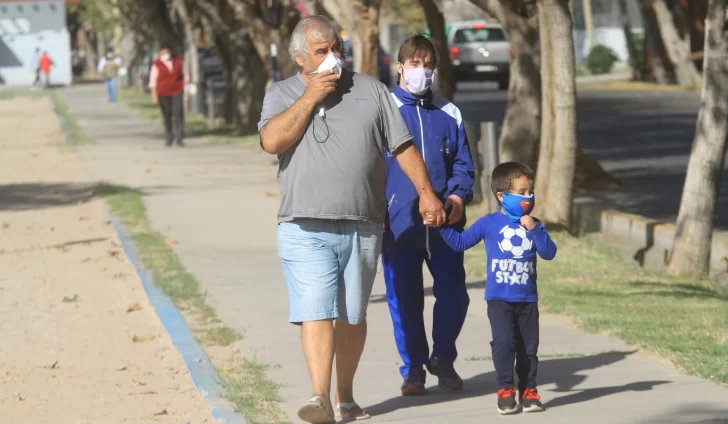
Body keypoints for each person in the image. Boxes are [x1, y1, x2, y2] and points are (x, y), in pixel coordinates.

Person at [258, 16, 446, 424]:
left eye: (336, 49)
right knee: (316, 309)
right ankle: (319, 397)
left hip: (363, 223)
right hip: (304, 225)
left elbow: (403, 147)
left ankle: (345, 396)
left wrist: (428, 194)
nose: (332, 58)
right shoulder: (282, 93)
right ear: (298, 57)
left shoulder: (371, 90)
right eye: (321, 52)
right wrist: (310, 97)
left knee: (352, 315)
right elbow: (273, 141)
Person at [382, 34, 475, 396]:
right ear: (400, 66)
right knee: (404, 298)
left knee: (455, 294)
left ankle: (444, 359)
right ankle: (413, 369)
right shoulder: (385, 110)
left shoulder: (448, 113)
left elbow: (464, 166)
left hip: (446, 227)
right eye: (415, 64)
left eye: (428, 65)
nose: (422, 71)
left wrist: (457, 196)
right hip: (399, 225)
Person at [439, 162, 557, 415]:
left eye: (530, 191)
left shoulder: (535, 224)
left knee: (529, 349)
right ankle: (505, 389)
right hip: (499, 299)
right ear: (501, 196)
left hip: (527, 300)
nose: (528, 197)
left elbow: (549, 253)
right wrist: (441, 225)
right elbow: (460, 243)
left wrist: (534, 229)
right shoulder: (489, 223)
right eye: (522, 192)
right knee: (504, 344)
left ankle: (529, 390)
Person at [149, 46, 189, 147]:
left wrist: (188, 89)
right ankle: (169, 137)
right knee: (167, 114)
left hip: (177, 90)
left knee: (178, 113)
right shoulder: (157, 64)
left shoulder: (178, 61)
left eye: (167, 53)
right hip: (163, 92)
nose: (165, 55)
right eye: (163, 53)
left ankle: (180, 138)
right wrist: (154, 95)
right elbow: (153, 81)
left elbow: (186, 76)